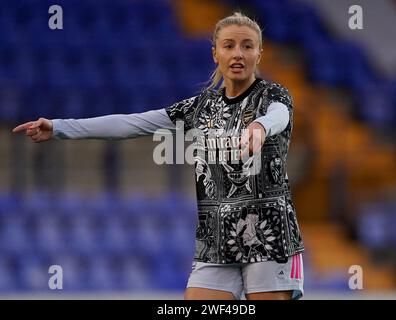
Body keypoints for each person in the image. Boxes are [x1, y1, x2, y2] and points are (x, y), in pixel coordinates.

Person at [12, 12, 305, 300]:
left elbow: (279, 116)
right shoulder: (199, 108)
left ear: (260, 54)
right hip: (216, 241)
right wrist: (60, 128)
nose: (238, 53)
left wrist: (259, 126)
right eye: (229, 46)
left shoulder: (273, 96)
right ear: (215, 53)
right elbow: (131, 123)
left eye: (247, 46)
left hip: (268, 235)